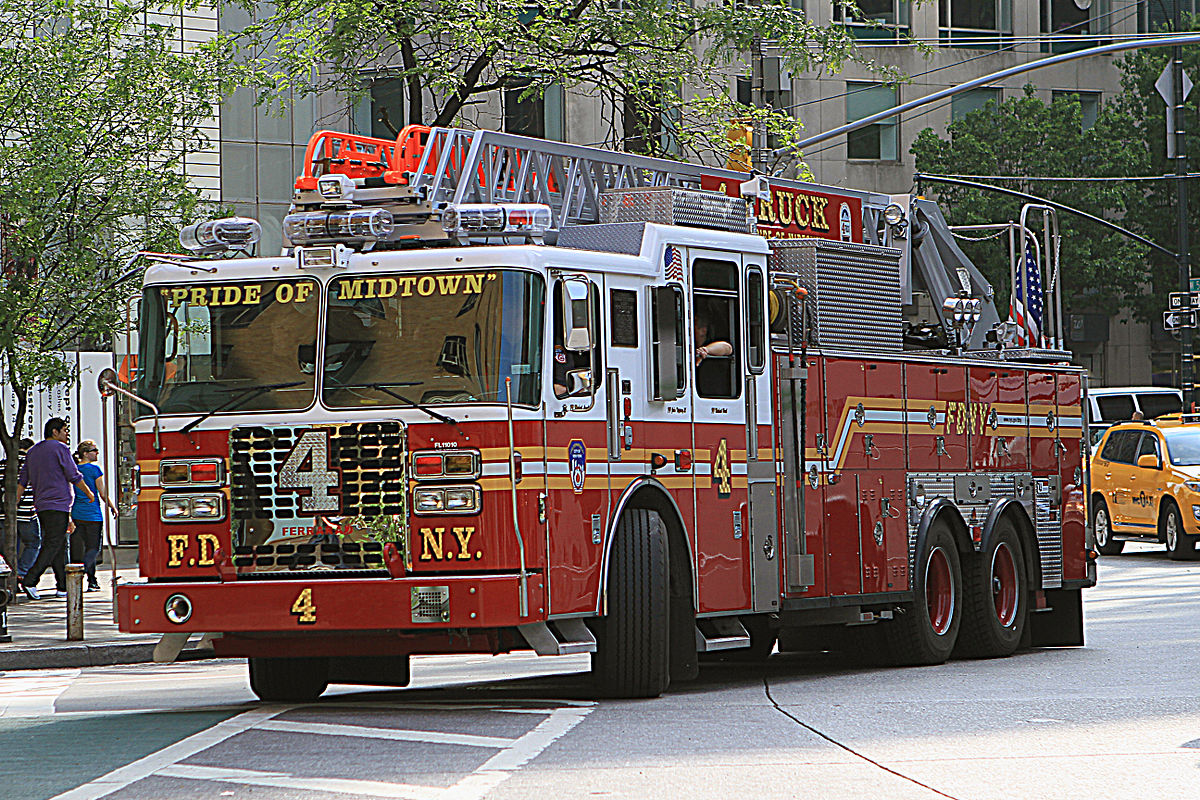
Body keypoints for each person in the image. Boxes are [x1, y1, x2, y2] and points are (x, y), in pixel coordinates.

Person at [18, 418, 94, 600]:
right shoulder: (61, 449)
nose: (67, 434)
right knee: (53, 543)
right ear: (55, 432)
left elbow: (22, 480)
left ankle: (62, 586)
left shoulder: (33, 451)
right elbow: (73, 475)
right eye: (65, 430)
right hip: (58, 504)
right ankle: (30, 579)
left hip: (42, 505)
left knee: (59, 544)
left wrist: (15, 502)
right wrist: (89, 493)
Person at [70, 440, 118, 592]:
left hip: (77, 514)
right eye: (94, 450)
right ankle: (87, 574)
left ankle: (91, 580)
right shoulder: (94, 470)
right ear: (85, 453)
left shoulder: (74, 470)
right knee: (93, 548)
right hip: (93, 515)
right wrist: (112, 507)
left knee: (83, 547)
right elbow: (102, 493)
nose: (97, 453)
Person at [12, 439, 40, 591]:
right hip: (27, 511)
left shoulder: (4, 464)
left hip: (6, 515)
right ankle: (22, 572)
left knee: (11, 547)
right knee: (33, 543)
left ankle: (10, 576)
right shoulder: (31, 464)